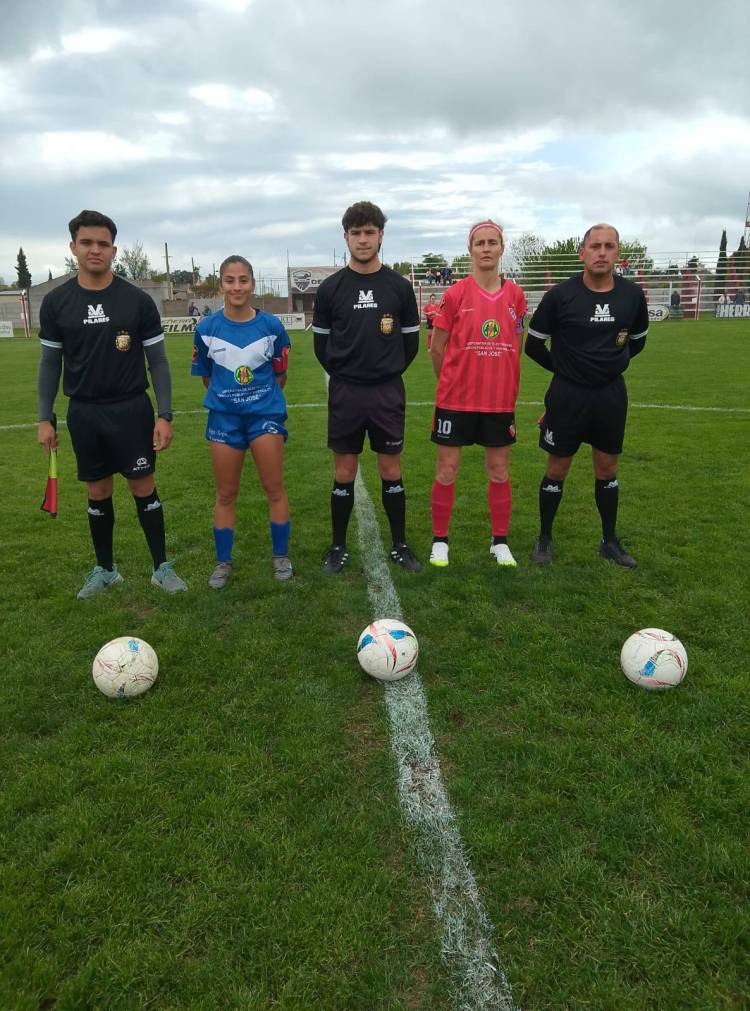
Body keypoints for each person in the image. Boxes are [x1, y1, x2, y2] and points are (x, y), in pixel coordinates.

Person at [37, 209, 187, 598]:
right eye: (86, 242)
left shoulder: (136, 301)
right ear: (73, 247)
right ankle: (105, 570)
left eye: (103, 244)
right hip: (84, 413)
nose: (95, 250)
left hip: (131, 409)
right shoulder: (56, 303)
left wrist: (164, 414)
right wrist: (43, 418)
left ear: (114, 250)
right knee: (97, 492)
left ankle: (161, 568)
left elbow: (158, 361)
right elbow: (50, 363)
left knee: (144, 487)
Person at [525, 223, 649, 568]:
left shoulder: (631, 295)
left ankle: (609, 541)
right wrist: (566, 370)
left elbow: (637, 342)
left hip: (610, 395)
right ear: (582, 253)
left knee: (607, 469)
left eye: (609, 246)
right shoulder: (560, 296)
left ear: (618, 253)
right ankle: (544, 538)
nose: (601, 252)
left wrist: (610, 365)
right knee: (557, 467)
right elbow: (533, 345)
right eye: (595, 246)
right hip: (568, 395)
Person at [313, 200, 421, 574]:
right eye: (356, 233)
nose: (363, 239)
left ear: (381, 236)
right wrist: (349, 373)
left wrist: (384, 372)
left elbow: (410, 344)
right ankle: (338, 547)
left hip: (386, 391)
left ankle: (400, 545)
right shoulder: (330, 289)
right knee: (344, 471)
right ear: (346, 237)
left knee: (390, 468)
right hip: (346, 391)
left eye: (370, 232)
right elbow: (321, 347)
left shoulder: (399, 287)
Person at [428, 220, 527, 568]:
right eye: (480, 242)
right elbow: (436, 347)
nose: (486, 248)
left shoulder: (515, 295)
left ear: (501, 248)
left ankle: (499, 542)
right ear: (470, 249)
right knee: (447, 470)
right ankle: (440, 541)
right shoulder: (455, 294)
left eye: (492, 242)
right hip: (455, 400)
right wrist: (450, 382)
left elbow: (516, 342)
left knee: (499, 470)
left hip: (498, 401)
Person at [191, 255, 292, 588]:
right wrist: (230, 400)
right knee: (225, 493)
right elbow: (207, 378)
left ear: (252, 284)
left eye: (243, 280)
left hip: (264, 416)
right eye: (230, 280)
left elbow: (280, 375)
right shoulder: (206, 329)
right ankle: (223, 562)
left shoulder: (271, 327)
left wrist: (257, 401)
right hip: (224, 418)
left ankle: (280, 557)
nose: (237, 287)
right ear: (221, 284)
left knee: (274, 488)